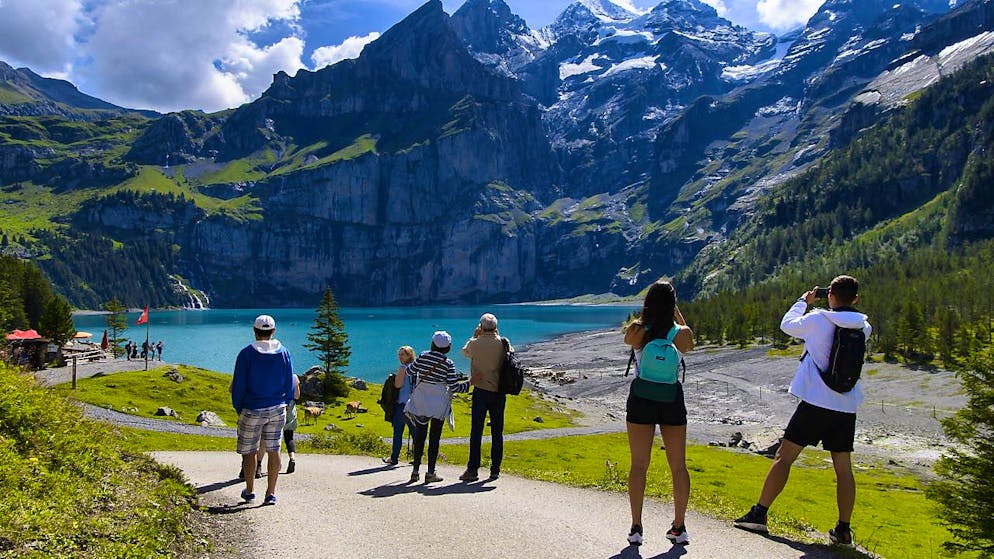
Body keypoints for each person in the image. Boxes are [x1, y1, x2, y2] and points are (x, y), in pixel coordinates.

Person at [734, 275, 871, 547]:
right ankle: (843, 530)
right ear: (855, 299)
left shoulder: (818, 318)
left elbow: (787, 326)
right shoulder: (864, 327)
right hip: (845, 406)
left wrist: (803, 302)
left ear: (829, 294)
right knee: (843, 469)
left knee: (784, 457)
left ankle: (759, 514)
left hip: (815, 402)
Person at [622, 280, 695, 546]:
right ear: (672, 304)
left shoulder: (638, 329)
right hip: (671, 399)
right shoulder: (680, 333)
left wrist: (647, 316)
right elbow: (689, 345)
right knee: (678, 465)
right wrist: (677, 315)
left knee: (639, 464)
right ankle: (679, 526)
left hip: (641, 399)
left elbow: (629, 341)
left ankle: (636, 527)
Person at [230, 314, 295, 506]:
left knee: (249, 452)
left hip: (252, 408)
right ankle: (270, 493)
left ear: (254, 331)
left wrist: (238, 406)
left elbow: (239, 384)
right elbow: (289, 382)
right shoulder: (284, 352)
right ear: (273, 331)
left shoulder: (246, 354)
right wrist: (287, 401)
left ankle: (250, 490)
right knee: (274, 449)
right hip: (277, 407)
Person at [405, 331, 469, 483]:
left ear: (433, 344)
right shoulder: (448, 363)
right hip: (438, 404)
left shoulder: (423, 356)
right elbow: (454, 387)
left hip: (421, 401)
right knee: (434, 438)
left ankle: (415, 471)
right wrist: (470, 383)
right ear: (448, 347)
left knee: (420, 436)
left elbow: (410, 371)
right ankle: (430, 472)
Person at [459, 313, 510, 482]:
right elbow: (510, 355)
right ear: (496, 327)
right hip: (498, 391)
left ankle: (472, 469)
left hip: (480, 390)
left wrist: (474, 336)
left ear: (480, 327)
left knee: (476, 431)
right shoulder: (503, 343)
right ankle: (495, 469)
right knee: (497, 431)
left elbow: (465, 352)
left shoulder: (475, 343)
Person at [382, 346, 416, 466]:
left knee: (398, 432)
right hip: (414, 404)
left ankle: (394, 457)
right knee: (415, 432)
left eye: (403, 354)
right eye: (400, 354)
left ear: (409, 356)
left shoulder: (403, 368)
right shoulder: (416, 368)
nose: (400, 356)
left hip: (402, 404)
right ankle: (417, 458)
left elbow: (397, 385)